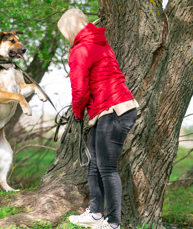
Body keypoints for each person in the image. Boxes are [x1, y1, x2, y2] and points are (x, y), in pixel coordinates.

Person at [57, 9, 139, 229]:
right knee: (94, 164)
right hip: (110, 110)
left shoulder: (80, 50)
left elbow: (80, 90)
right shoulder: (100, 44)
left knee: (107, 168)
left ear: (69, 31)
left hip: (114, 111)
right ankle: (95, 214)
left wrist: (77, 113)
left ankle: (112, 223)